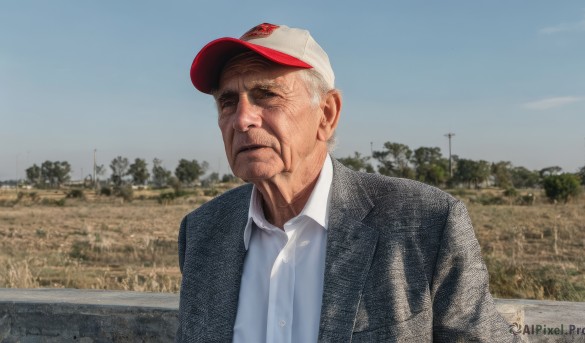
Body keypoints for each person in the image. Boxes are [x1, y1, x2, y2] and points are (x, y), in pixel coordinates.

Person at [177, 23, 523, 342]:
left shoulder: (427, 223)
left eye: (266, 95)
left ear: (326, 114)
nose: (241, 119)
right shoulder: (202, 232)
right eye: (227, 101)